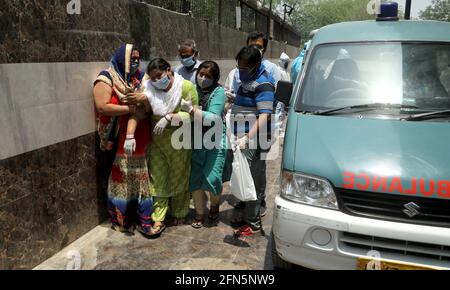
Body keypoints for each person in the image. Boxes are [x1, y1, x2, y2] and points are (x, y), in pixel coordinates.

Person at [93, 44, 153, 235]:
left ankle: (142, 218)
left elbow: (150, 102)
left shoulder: (140, 78)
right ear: (121, 59)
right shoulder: (106, 78)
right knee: (123, 178)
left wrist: (142, 102)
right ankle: (121, 219)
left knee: (142, 179)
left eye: (137, 58)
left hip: (141, 136)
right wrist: (130, 109)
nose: (135, 62)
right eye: (131, 59)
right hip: (121, 139)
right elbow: (102, 107)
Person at [144, 58, 199, 237]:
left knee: (179, 176)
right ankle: (158, 217)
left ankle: (179, 212)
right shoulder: (150, 88)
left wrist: (169, 118)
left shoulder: (186, 87)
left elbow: (193, 115)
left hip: (179, 140)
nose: (156, 80)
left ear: (169, 70)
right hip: (157, 142)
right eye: (152, 78)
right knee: (158, 178)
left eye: (159, 76)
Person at [230, 46, 275, 237]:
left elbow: (264, 115)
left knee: (250, 179)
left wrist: (247, 138)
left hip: (253, 138)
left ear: (256, 65)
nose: (241, 70)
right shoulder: (246, 81)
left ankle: (253, 223)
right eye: (239, 66)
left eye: (245, 67)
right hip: (242, 137)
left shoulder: (263, 84)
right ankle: (249, 214)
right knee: (250, 176)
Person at [179, 61, 227, 229]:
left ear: (215, 78)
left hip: (215, 140)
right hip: (195, 139)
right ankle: (199, 213)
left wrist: (191, 110)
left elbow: (214, 118)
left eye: (208, 76)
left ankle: (214, 206)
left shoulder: (219, 92)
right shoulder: (192, 89)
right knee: (195, 178)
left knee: (213, 177)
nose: (203, 78)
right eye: (201, 74)